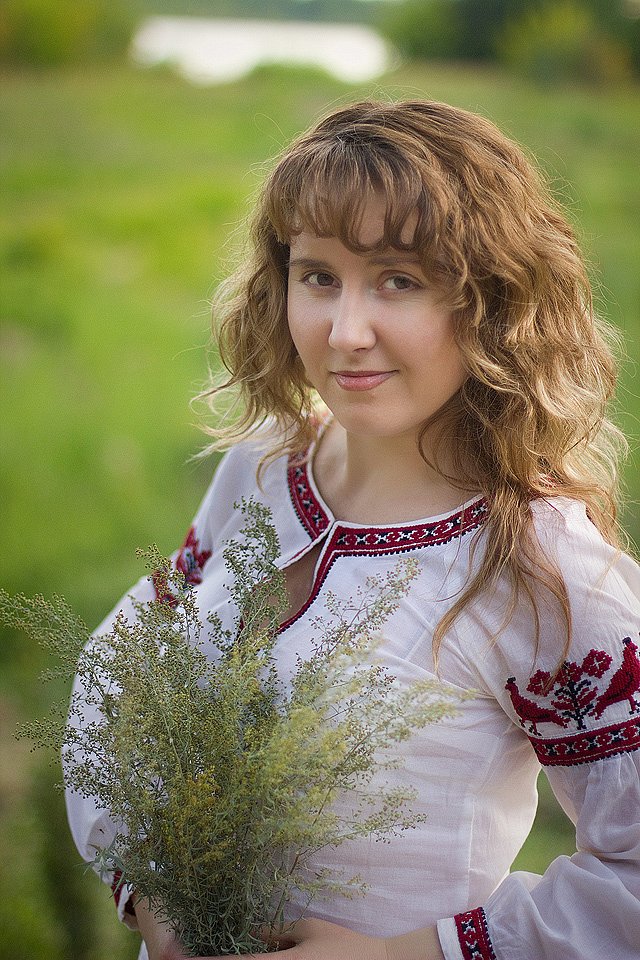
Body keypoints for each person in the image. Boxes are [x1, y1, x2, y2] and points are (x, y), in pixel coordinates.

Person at [66, 99, 640, 960]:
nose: (345, 332)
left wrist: (401, 954)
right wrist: (149, 888)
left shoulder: (538, 567)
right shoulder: (263, 467)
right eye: (318, 276)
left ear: (492, 302)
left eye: (399, 280)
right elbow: (127, 677)